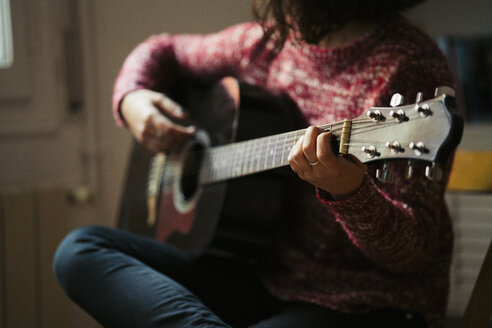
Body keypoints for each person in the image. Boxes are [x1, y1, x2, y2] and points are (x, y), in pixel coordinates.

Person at [53, 0, 456, 327]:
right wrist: (133, 98)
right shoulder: (263, 45)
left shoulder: (409, 66)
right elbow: (163, 49)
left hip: (366, 304)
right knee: (79, 250)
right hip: (260, 278)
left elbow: (413, 254)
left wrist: (350, 193)